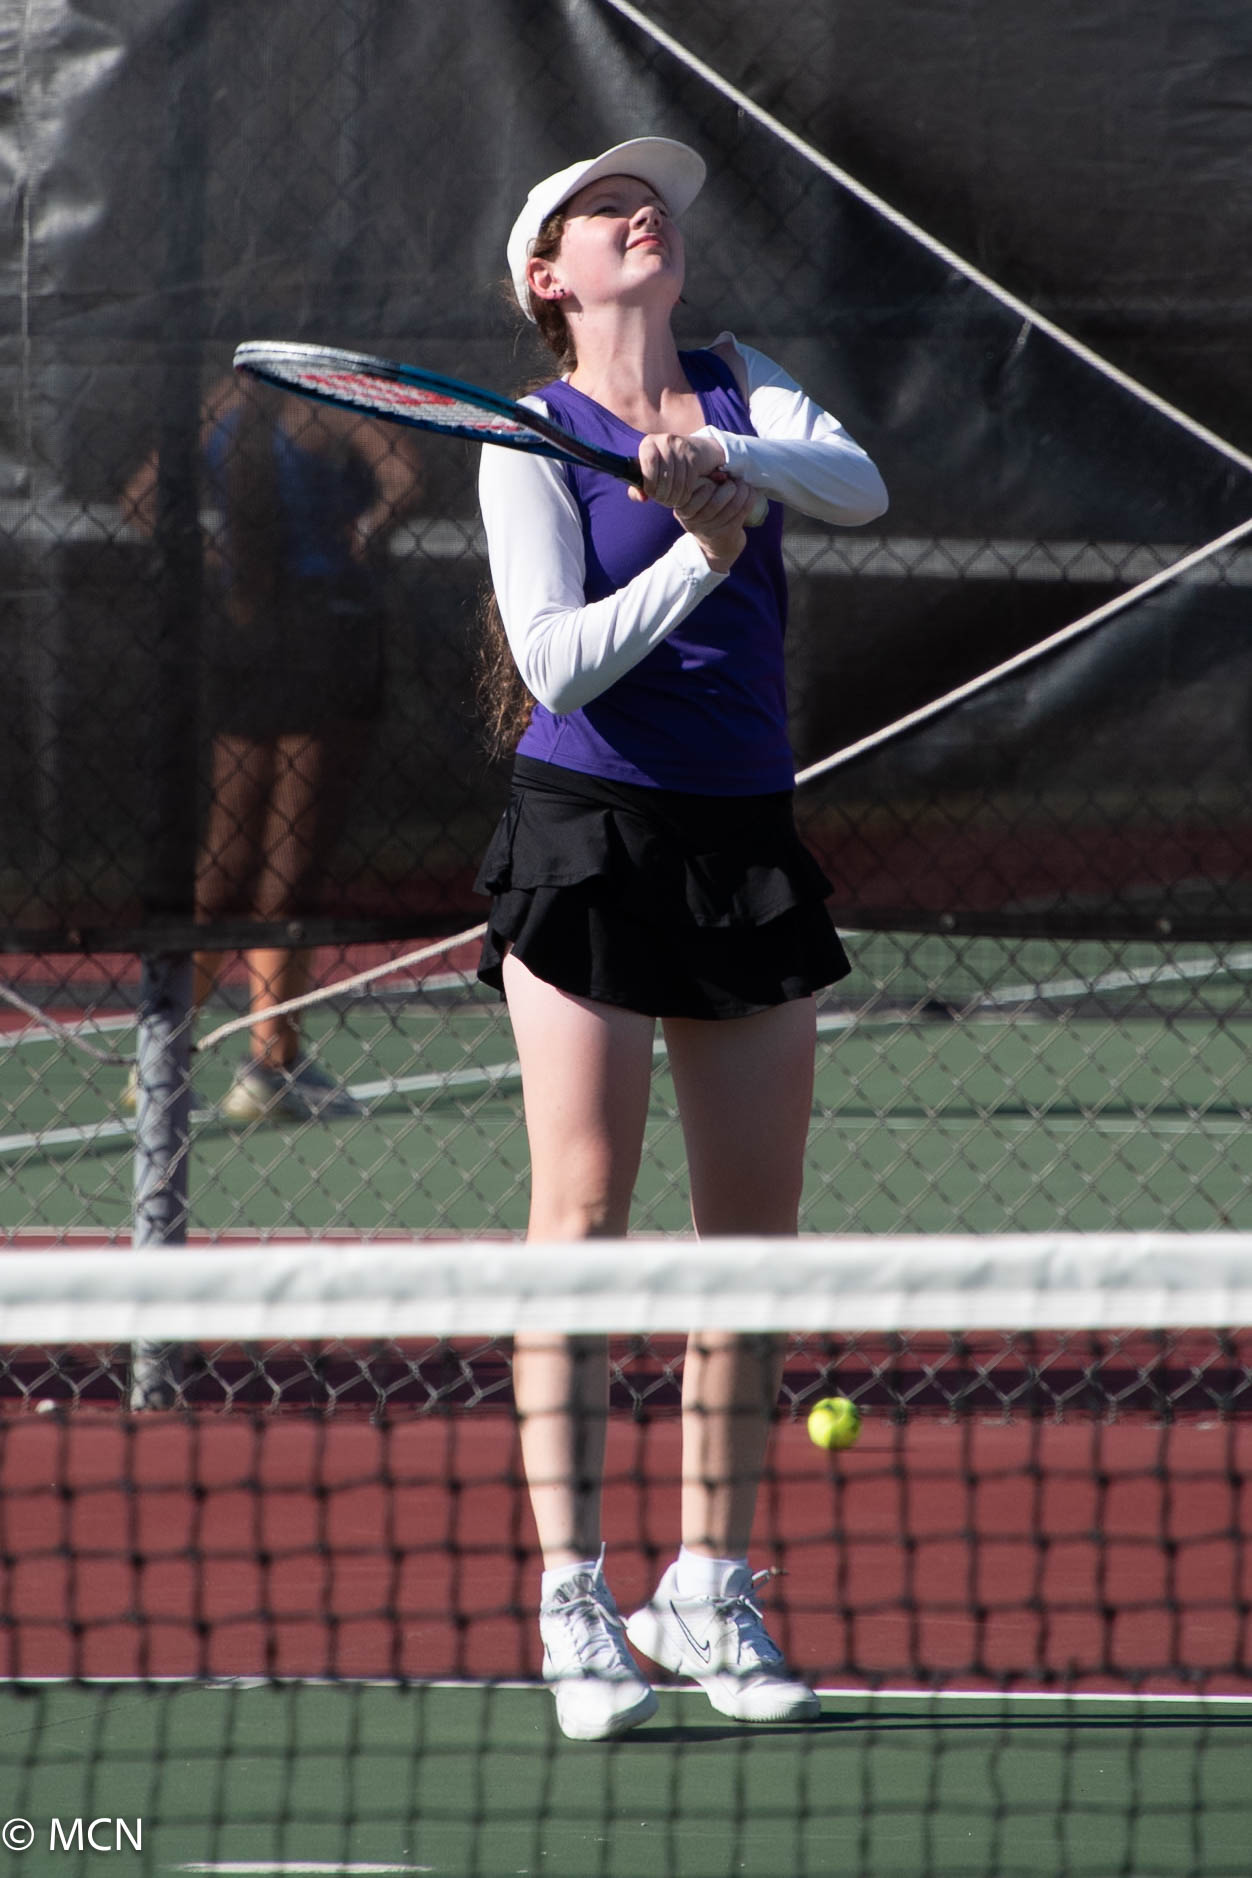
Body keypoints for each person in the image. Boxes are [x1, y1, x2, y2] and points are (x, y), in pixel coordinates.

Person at [474, 138, 888, 1741]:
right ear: (549, 274)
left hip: (742, 836)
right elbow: (558, 666)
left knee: (751, 1240)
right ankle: (574, 1596)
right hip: (588, 832)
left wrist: (723, 457)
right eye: (600, 205)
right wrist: (705, 555)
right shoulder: (528, 437)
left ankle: (707, 1580)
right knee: (581, 1212)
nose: (639, 211)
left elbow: (858, 486)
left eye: (648, 201)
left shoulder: (743, 381)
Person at [122, 374, 424, 1121]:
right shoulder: (324, 397)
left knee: (224, 849)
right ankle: (271, 1062)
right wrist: (366, 529)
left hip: (244, 626)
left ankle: (162, 1049)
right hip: (322, 628)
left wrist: (217, 551)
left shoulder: (221, 401)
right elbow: (405, 474)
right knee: (291, 851)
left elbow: (139, 499)